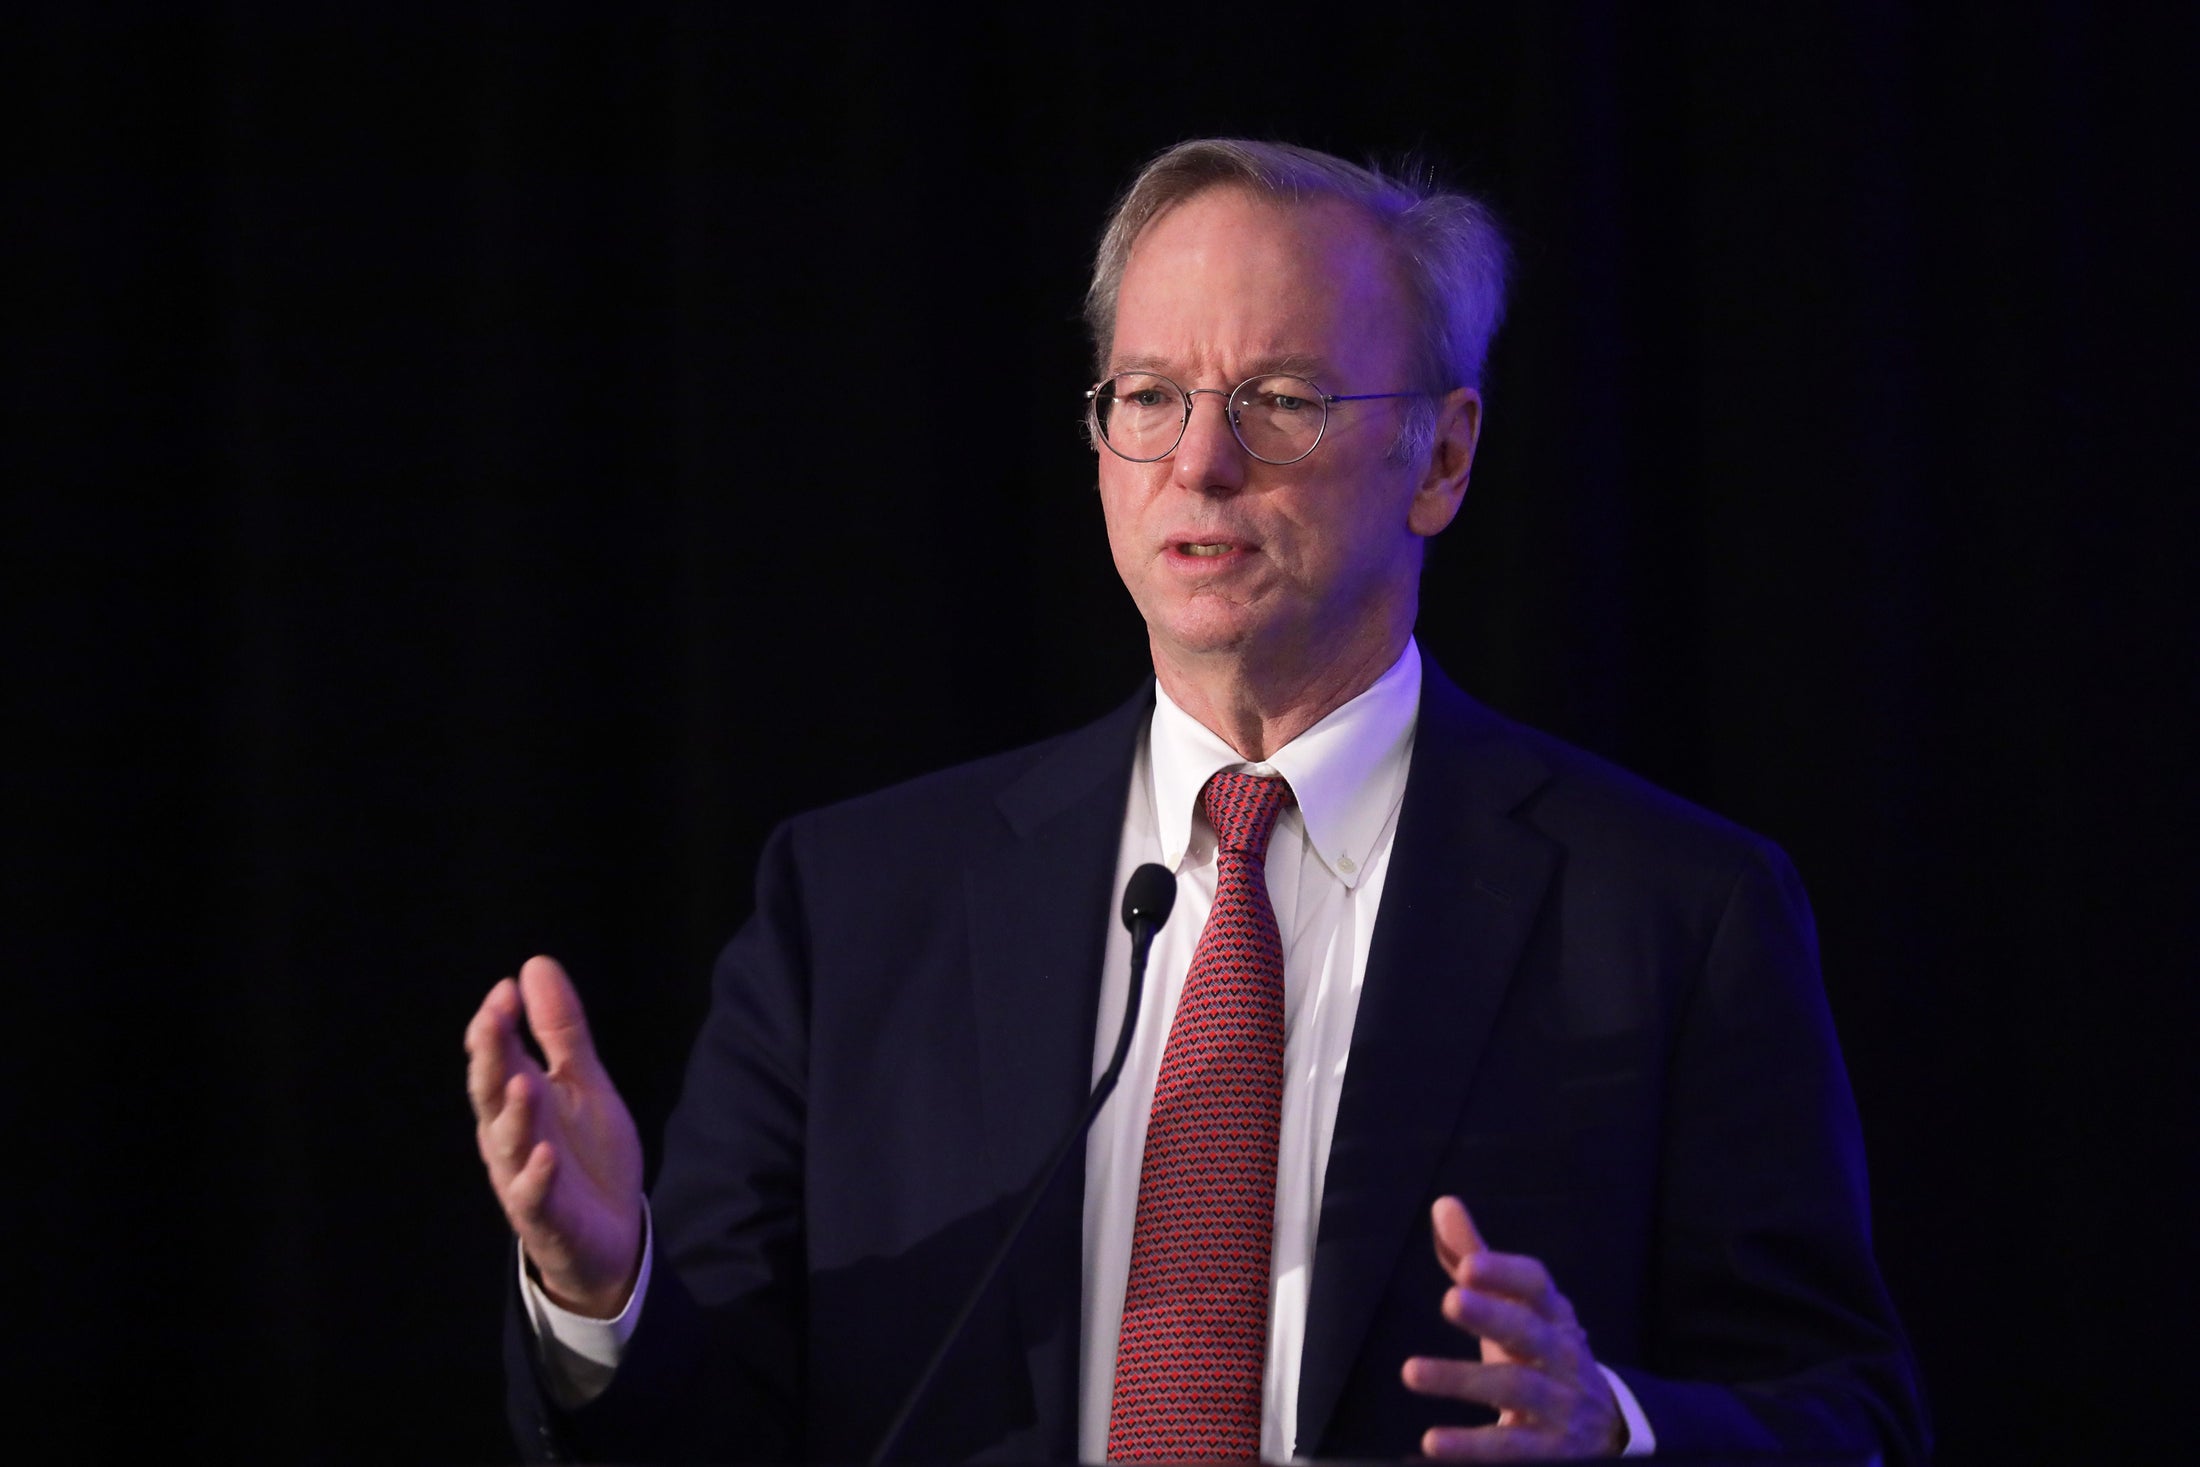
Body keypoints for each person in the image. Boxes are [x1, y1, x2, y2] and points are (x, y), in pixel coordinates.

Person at [466, 139, 1927, 1463]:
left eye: (1281, 401)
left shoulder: (1673, 911)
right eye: (1152, 398)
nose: (1202, 464)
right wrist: (605, 1293)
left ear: (1446, 454)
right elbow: (713, 1429)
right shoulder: (856, 909)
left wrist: (1610, 1427)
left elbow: (1848, 1419)